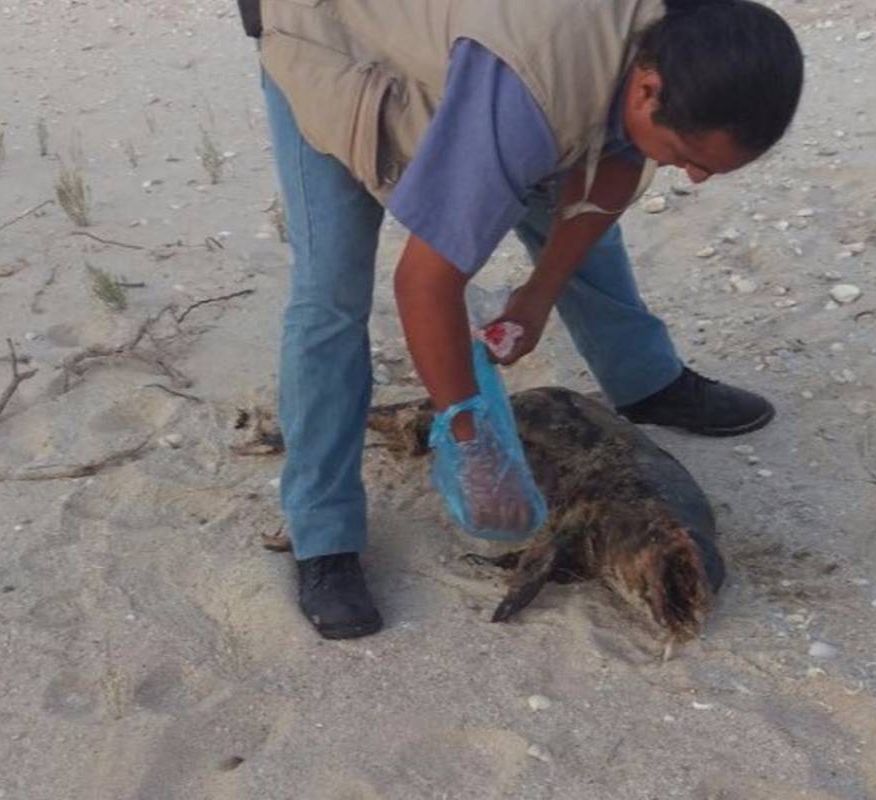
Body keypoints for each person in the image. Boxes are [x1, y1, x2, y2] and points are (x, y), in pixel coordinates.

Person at [240, 0, 804, 639]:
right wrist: (472, 444)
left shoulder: (677, 34)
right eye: (689, 155)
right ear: (648, 87)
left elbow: (616, 161)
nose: (695, 178)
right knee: (331, 290)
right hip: (330, 35)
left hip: (480, 44)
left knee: (571, 171)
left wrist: (537, 296)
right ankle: (324, 536)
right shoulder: (530, 88)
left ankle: (647, 379)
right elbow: (425, 282)